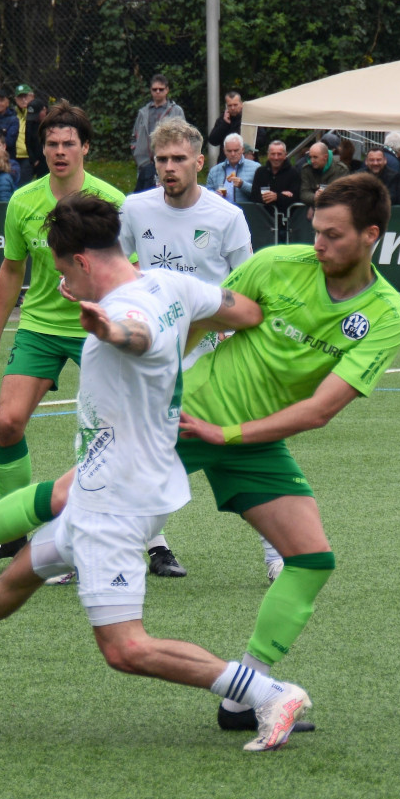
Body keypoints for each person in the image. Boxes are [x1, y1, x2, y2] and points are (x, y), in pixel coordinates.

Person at [0, 172, 400, 736]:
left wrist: (224, 429)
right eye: (316, 230)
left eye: (332, 235)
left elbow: (318, 405)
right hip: (190, 416)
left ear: (371, 235)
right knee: (55, 519)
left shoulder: (386, 314)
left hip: (248, 435)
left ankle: (248, 695)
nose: (319, 244)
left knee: (310, 557)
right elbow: (191, 316)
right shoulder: (278, 264)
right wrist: (154, 364)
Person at [0, 100, 125, 562]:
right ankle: (15, 532)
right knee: (7, 423)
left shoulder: (109, 201)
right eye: (52, 144)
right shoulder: (22, 200)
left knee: (119, 433)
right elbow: (12, 271)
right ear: (43, 149)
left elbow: (129, 271)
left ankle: (148, 540)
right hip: (39, 327)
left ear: (85, 148)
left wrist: (115, 317)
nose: (60, 151)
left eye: (68, 144)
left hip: (98, 327)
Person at [118, 117, 254, 577]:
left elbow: (249, 288)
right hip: (155, 350)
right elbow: (112, 266)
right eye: (162, 159)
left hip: (213, 352)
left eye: (179, 159)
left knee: (241, 448)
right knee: (140, 448)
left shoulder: (227, 217)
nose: (169, 167)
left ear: (200, 161)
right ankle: (151, 547)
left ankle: (278, 554)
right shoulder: (135, 208)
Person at [130, 74, 184, 192]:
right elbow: (134, 136)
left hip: (168, 162)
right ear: (151, 90)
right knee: (143, 196)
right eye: (155, 89)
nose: (158, 92)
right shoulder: (143, 112)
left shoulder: (176, 111)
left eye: (161, 89)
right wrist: (137, 153)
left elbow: (183, 137)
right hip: (145, 164)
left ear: (167, 90)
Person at [250, 139, 302, 241]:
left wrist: (277, 197)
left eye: (279, 154)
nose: (276, 157)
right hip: (263, 224)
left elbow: (297, 198)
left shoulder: (293, 173)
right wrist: (273, 197)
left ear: (285, 155)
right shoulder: (260, 172)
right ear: (268, 155)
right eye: (273, 154)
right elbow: (254, 196)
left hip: (285, 226)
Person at [205, 133, 258, 204]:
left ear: (242, 150)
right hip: (221, 211)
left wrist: (243, 185)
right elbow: (207, 194)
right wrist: (215, 194)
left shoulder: (255, 168)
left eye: (236, 150)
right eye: (229, 151)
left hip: (246, 212)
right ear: (224, 151)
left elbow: (261, 193)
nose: (232, 154)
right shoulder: (214, 171)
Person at [299, 141, 350, 214]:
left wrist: (326, 195)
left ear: (325, 157)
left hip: (335, 212)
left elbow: (344, 194)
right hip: (313, 212)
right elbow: (304, 193)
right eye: (310, 157)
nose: (312, 160)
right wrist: (315, 197)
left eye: (315, 157)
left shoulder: (341, 170)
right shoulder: (307, 169)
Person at [13, 84, 39, 184]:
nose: (23, 100)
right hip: (13, 156)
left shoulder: (39, 114)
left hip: (29, 157)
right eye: (20, 97)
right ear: (15, 99)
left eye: (26, 96)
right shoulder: (11, 114)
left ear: (32, 96)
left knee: (24, 185)